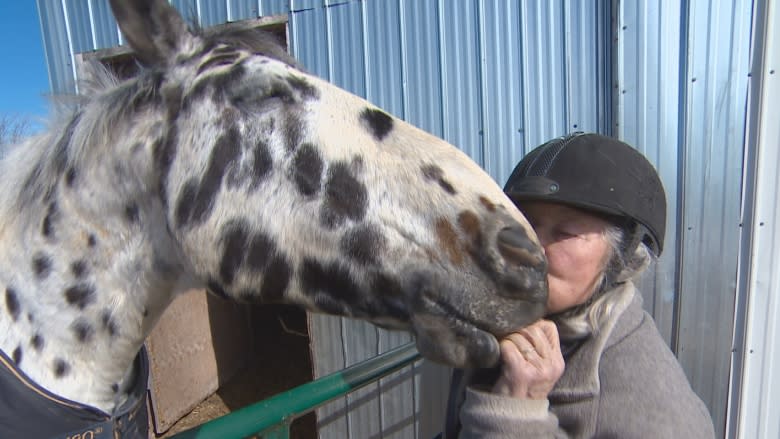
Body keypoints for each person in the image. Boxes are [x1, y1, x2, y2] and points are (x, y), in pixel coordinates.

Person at [444, 133, 715, 438]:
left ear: (621, 258)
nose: (527, 245)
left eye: (565, 232)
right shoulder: (501, 324)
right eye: (525, 224)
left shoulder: (663, 414)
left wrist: (516, 421)